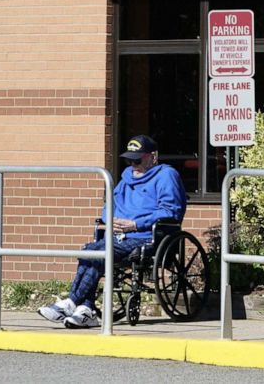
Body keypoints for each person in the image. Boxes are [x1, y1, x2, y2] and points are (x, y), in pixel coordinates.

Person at [37, 135, 186, 328]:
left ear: (152, 156)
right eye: (130, 159)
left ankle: (72, 302)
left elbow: (171, 211)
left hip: (146, 236)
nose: (133, 164)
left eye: (138, 159)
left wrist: (135, 224)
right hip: (118, 235)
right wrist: (110, 220)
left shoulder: (166, 175)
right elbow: (109, 204)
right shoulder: (126, 177)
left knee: (99, 253)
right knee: (89, 250)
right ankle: (86, 309)